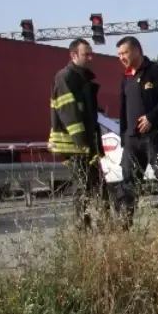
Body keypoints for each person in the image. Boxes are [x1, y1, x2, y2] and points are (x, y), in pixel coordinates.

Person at [115, 36, 158, 224]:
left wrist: (152, 117)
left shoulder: (157, 72)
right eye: (118, 54)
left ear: (137, 50)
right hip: (133, 140)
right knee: (128, 182)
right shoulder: (126, 77)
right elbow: (123, 109)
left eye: (124, 53)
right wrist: (124, 138)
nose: (121, 57)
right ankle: (125, 224)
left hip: (155, 137)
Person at [49, 38, 106, 228]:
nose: (91, 57)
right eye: (86, 54)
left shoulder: (82, 77)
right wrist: (83, 142)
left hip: (86, 143)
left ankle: (94, 223)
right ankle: (82, 226)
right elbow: (69, 112)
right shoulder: (65, 77)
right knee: (83, 186)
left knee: (94, 186)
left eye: (91, 53)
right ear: (73, 55)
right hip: (76, 145)